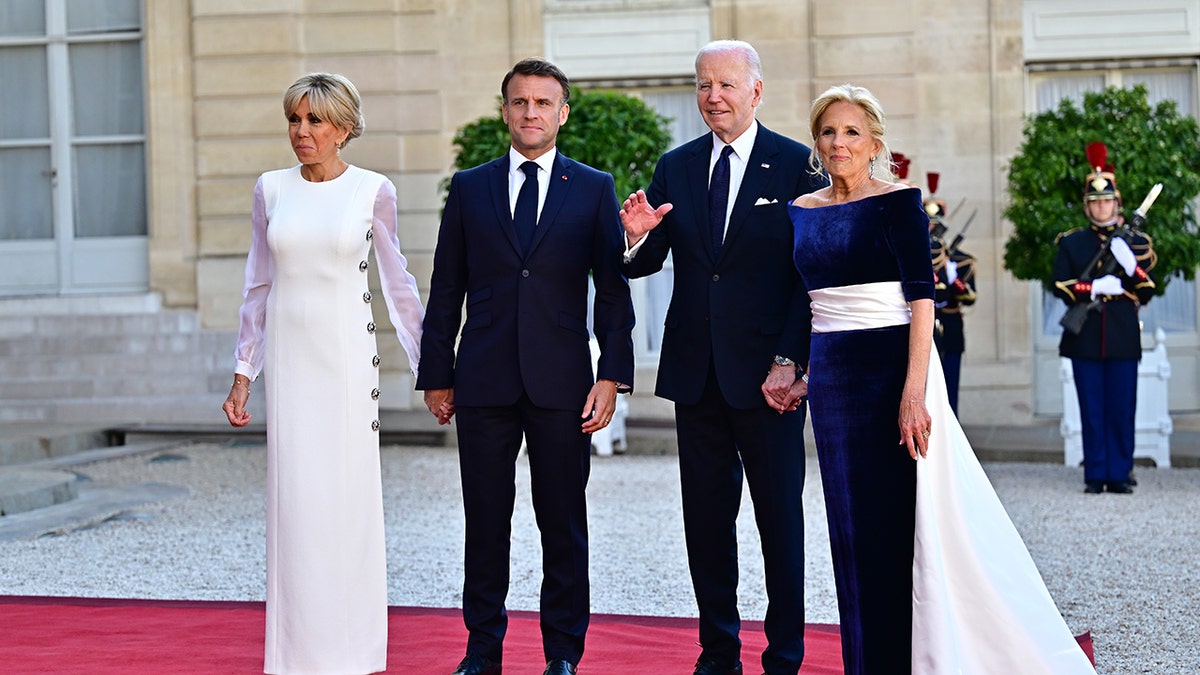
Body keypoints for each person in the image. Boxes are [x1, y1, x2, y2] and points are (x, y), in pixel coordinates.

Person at [789, 83, 1095, 674]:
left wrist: (914, 391)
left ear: (874, 141)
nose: (838, 142)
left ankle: (912, 657)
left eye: (852, 131)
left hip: (892, 371)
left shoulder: (899, 201)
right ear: (816, 140)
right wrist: (801, 368)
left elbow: (923, 300)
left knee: (901, 525)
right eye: (828, 131)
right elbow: (805, 301)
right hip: (832, 380)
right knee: (849, 527)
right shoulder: (802, 211)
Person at [417, 58, 635, 675]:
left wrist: (611, 376)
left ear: (563, 113)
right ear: (504, 110)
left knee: (562, 524)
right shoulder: (470, 186)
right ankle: (481, 651)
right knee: (485, 523)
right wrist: (438, 372)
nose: (531, 112)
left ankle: (563, 654)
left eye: (543, 103)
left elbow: (613, 291)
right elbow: (446, 286)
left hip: (563, 382)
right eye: (520, 102)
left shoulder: (593, 187)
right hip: (482, 379)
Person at [617, 40, 824, 675]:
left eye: (728, 85)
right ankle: (719, 653)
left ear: (756, 92)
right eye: (705, 85)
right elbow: (650, 260)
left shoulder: (796, 165)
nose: (714, 97)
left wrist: (792, 358)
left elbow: (808, 274)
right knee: (706, 523)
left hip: (770, 379)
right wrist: (635, 235)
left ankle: (785, 654)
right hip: (696, 373)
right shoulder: (676, 165)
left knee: (779, 522)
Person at [221, 72, 426, 675]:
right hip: (289, 366)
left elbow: (398, 285)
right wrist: (242, 373)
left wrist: (431, 371)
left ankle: (353, 654)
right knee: (296, 507)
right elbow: (257, 284)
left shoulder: (373, 191)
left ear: (343, 128)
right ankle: (294, 657)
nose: (301, 132)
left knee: (346, 506)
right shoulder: (271, 190)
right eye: (294, 119)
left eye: (314, 121)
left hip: (343, 365)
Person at [1052, 142, 1156, 494]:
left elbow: (1147, 290)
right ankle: (1096, 473)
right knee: (1092, 408)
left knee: (1122, 407)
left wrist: (1130, 267)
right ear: (1087, 206)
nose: (1101, 206)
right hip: (1086, 332)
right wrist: (1094, 287)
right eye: (1095, 202)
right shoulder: (1073, 243)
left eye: (1107, 201)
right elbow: (1060, 285)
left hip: (1123, 333)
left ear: (1117, 203)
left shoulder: (1136, 242)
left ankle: (1120, 471)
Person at [924, 172, 977, 415]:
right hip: (923, 329)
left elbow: (970, 297)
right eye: (929, 224)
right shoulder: (915, 257)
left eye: (937, 225)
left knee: (950, 387)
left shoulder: (961, 261)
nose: (933, 230)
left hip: (950, 326)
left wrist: (951, 275)